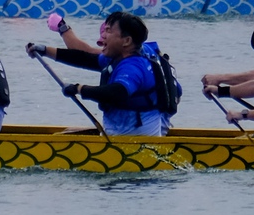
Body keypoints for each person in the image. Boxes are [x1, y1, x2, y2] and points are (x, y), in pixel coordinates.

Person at [32, 11, 174, 136]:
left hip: (133, 142)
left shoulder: (133, 67)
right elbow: (87, 59)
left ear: (127, 41)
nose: (103, 36)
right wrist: (45, 51)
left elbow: (117, 92)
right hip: (123, 133)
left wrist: (79, 89)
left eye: (108, 31)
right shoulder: (125, 54)